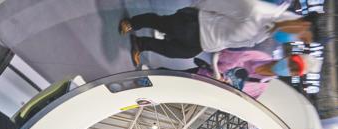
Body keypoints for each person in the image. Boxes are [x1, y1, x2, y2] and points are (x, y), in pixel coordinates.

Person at [118, 0, 309, 65]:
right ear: (301, 25)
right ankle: (133, 23)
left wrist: (215, 48)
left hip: (204, 43)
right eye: (301, 36)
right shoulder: (257, 11)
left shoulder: (265, 34)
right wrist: (193, 10)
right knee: (162, 24)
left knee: (175, 51)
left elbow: (234, 42)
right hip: (197, 24)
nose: (296, 40)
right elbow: (219, 3)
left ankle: (141, 44)